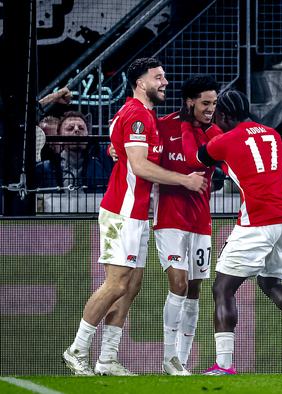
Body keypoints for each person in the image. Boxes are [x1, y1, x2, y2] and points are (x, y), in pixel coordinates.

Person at [62, 57, 208, 376]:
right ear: (141, 83)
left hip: (138, 213)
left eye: (164, 77)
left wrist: (119, 151)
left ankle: (107, 359)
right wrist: (185, 180)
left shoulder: (139, 114)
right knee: (115, 285)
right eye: (158, 77)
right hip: (122, 212)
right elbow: (140, 166)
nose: (164, 82)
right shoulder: (137, 115)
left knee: (131, 286)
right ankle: (77, 349)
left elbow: (121, 144)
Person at [182, 90, 282, 375]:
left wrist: (188, 124)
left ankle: (223, 365)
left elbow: (194, 158)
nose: (215, 117)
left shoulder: (227, 139)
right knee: (271, 283)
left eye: (217, 113)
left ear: (227, 115)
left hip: (258, 220)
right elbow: (267, 171)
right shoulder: (272, 134)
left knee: (222, 288)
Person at [155, 74, 222, 375]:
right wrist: (112, 150)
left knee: (194, 290)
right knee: (178, 284)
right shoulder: (163, 125)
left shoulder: (216, 134)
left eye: (214, 104)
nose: (210, 109)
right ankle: (169, 358)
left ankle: (181, 360)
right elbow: (134, 151)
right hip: (169, 217)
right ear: (190, 100)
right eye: (205, 103)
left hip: (200, 220)